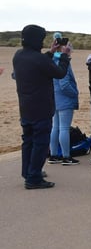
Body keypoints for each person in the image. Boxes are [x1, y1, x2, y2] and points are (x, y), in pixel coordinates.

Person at [12, 25, 70, 189]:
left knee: (28, 141)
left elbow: (39, 63)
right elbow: (59, 73)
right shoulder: (38, 59)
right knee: (40, 143)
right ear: (37, 39)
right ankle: (34, 177)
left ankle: (28, 172)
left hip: (25, 107)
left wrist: (51, 53)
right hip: (41, 108)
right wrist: (64, 57)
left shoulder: (19, 56)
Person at [48, 41, 80, 165]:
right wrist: (74, 93)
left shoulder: (52, 60)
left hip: (55, 98)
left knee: (55, 127)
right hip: (64, 99)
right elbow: (64, 83)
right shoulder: (61, 62)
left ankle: (53, 154)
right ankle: (66, 156)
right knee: (63, 128)